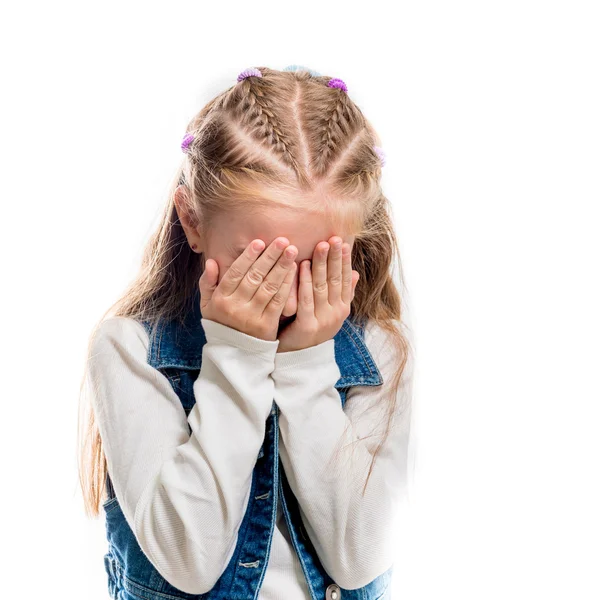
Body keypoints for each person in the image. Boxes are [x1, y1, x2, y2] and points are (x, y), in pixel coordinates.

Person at [77, 64, 415, 600]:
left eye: (313, 263)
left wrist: (306, 366)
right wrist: (237, 356)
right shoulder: (130, 349)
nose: (281, 291)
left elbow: (358, 560)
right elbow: (188, 561)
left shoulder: (381, 351)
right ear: (191, 221)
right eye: (257, 262)